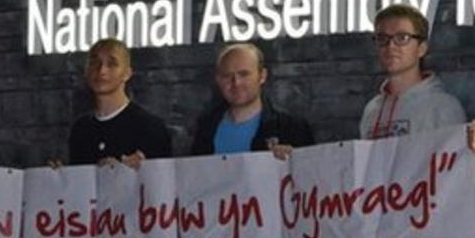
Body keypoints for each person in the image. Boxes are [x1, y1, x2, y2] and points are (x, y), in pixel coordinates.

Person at [360, 4, 475, 155]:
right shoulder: (371, 110)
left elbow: (455, 165)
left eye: (402, 38)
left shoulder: (443, 107)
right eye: (382, 39)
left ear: (421, 48)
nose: (390, 46)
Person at [190, 42, 315, 159]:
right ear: (218, 80)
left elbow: (311, 171)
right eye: (227, 76)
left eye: (244, 74)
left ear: (262, 76)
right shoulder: (205, 129)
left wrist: (294, 161)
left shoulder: (292, 129)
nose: (236, 83)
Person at [65, 38, 172, 168]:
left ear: (127, 73)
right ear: (86, 71)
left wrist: (133, 172)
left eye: (112, 64)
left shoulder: (150, 127)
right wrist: (59, 174)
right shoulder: (81, 130)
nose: (102, 71)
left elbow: (164, 178)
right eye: (94, 63)